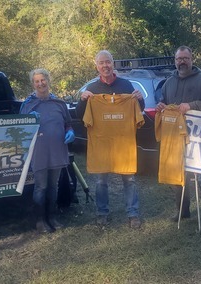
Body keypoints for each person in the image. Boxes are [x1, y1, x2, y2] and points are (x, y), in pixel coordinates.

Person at [76, 50, 144, 229]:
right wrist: (83, 100)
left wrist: (139, 99)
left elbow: (139, 110)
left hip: (124, 144)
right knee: (101, 181)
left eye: (108, 62)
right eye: (101, 63)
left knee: (129, 180)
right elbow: (80, 115)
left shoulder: (126, 85)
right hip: (102, 145)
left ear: (113, 64)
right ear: (97, 66)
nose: (105, 66)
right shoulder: (92, 89)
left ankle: (133, 213)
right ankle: (102, 213)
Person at [156, 46, 201, 228]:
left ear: (192, 60)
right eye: (179, 59)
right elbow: (164, 102)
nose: (182, 61)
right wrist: (162, 106)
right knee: (178, 174)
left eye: (185, 58)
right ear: (175, 61)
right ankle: (183, 211)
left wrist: (191, 105)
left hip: (200, 138)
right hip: (176, 137)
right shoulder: (169, 83)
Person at [20, 68, 74, 234]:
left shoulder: (59, 103)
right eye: (37, 81)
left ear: (48, 81)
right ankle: (40, 221)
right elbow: (20, 129)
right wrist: (29, 120)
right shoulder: (27, 105)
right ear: (33, 84)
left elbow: (68, 123)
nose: (40, 83)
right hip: (39, 151)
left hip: (57, 149)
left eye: (43, 80)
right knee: (41, 187)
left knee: (53, 186)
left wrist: (70, 131)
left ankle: (52, 217)